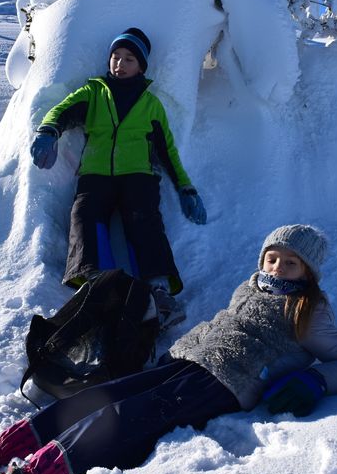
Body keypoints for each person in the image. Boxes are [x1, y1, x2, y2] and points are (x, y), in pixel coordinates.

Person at [0, 224, 337, 474]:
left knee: (119, 419)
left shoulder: (309, 310)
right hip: (187, 362)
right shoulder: (250, 286)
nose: (278, 267)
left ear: (308, 272)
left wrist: (314, 378)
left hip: (227, 382)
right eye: (273, 257)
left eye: (290, 262)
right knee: (92, 399)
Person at [29, 27, 206, 327]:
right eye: (115, 57)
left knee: (144, 219)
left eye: (129, 59)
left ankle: (158, 291)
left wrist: (185, 188)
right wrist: (49, 131)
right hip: (95, 175)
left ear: (141, 66)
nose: (119, 64)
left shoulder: (151, 104)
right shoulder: (93, 92)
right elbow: (62, 111)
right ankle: (96, 282)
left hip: (139, 176)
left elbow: (168, 151)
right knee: (84, 214)